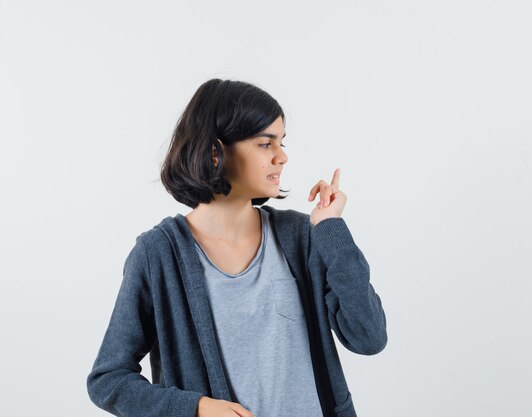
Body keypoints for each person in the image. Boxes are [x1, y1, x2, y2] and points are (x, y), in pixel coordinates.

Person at [86, 78, 388, 417]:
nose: (282, 157)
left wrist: (331, 229)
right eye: (265, 144)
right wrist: (196, 408)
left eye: (282, 142)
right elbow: (108, 379)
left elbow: (368, 336)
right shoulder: (158, 255)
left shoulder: (301, 237)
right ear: (216, 152)